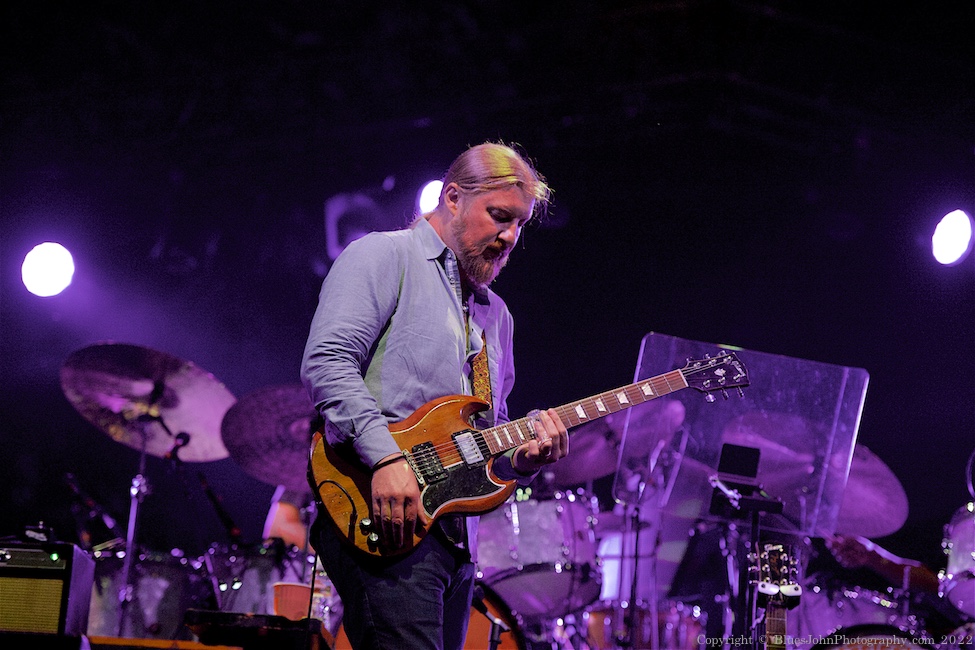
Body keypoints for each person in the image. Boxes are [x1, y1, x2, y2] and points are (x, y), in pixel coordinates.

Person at [300, 142, 570, 649]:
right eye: (498, 216)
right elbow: (326, 363)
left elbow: (485, 440)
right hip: (383, 516)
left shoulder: (498, 317)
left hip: (452, 538)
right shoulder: (384, 255)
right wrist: (385, 458)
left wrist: (524, 458)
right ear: (452, 198)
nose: (509, 236)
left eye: (520, 225)